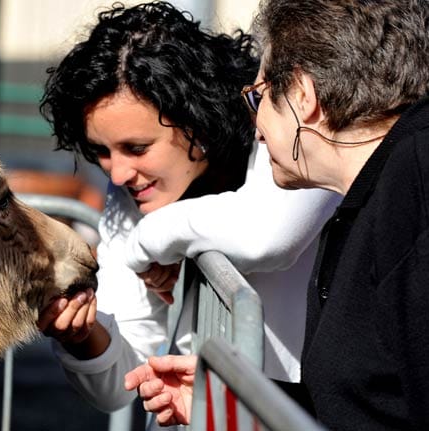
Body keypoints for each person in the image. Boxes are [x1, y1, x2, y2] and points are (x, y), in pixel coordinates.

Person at [126, 0, 429, 429]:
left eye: (258, 97)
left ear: (303, 97)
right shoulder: (374, 197)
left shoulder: (414, 190)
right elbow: (366, 403)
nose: (256, 126)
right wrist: (245, 402)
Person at [36, 0, 340, 417]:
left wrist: (145, 242)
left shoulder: (286, 125)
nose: (119, 173)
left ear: (197, 118)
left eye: (137, 147)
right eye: (100, 151)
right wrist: (83, 336)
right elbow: (122, 385)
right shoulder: (137, 185)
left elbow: (267, 235)